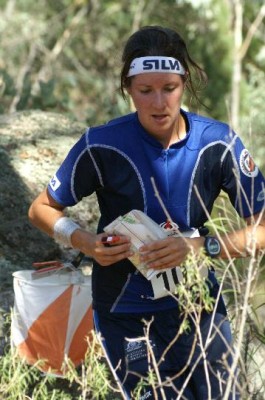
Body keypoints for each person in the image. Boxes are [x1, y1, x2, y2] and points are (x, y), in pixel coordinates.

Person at [28, 25, 265, 399]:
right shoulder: (101, 144)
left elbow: (262, 228)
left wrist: (202, 247)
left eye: (169, 88)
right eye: (145, 91)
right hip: (126, 314)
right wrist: (86, 242)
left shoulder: (218, 142)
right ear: (128, 89)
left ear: (184, 84)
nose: (159, 103)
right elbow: (40, 208)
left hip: (200, 310)